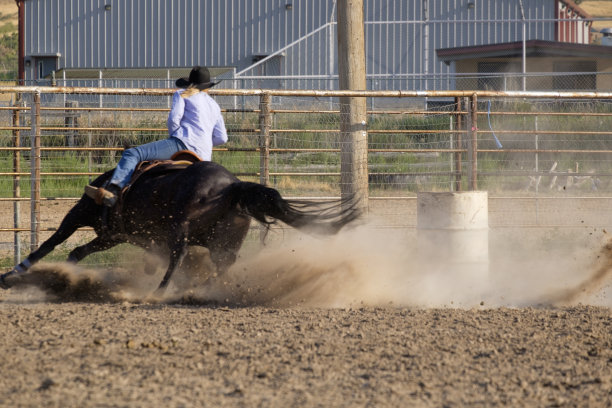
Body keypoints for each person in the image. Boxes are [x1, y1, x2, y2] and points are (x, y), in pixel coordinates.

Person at [85, 66, 228, 206]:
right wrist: (204, 142)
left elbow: (173, 119)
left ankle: (113, 191)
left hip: (182, 144)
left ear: (190, 82)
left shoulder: (182, 94)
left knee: (133, 153)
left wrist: (175, 137)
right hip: (204, 155)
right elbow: (222, 138)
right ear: (208, 85)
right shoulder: (214, 105)